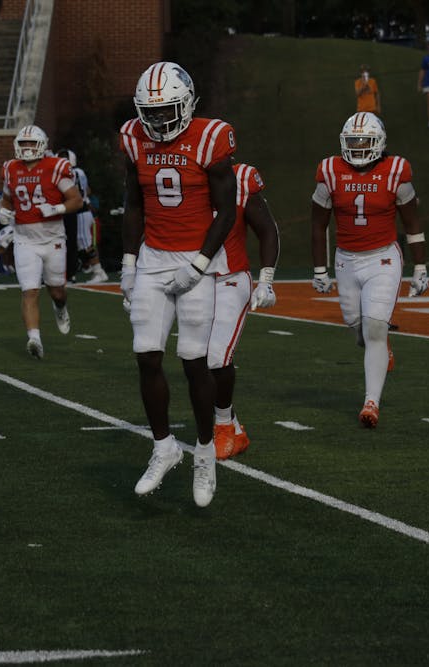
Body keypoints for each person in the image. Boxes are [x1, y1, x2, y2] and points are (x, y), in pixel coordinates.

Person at [120, 61, 238, 508]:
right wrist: (129, 264)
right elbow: (133, 203)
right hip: (153, 258)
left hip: (197, 258)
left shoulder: (211, 137)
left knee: (194, 361)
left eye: (167, 110)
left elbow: (226, 211)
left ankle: (204, 451)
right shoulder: (133, 137)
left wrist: (202, 262)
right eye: (151, 112)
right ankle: (163, 447)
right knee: (146, 355)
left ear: (187, 103)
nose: (158, 121)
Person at [310, 112, 428, 428]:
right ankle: (381, 349)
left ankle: (370, 403)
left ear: (380, 143)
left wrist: (420, 266)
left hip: (383, 259)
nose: (359, 147)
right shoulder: (330, 171)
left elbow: (412, 223)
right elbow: (318, 224)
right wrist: (320, 269)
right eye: (353, 142)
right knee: (359, 331)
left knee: (375, 328)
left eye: (365, 141)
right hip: (346, 260)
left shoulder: (395, 172)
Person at [211, 161, 280, 459]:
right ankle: (235, 428)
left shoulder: (240, 178)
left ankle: (223, 426)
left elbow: (267, 229)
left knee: (216, 357)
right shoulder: (177, 176)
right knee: (195, 359)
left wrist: (266, 281)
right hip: (190, 282)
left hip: (230, 276)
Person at [0, 125, 83, 359]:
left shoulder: (56, 167)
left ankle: (60, 307)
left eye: (31, 143)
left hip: (52, 239)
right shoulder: (10, 169)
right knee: (30, 290)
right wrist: (3, 212)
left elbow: (76, 201)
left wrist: (56, 208)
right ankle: (34, 339)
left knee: (57, 291)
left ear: (42, 145)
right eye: (23, 143)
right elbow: (7, 200)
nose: (27, 148)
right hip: (24, 239)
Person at [58, 149, 109, 284]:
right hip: (84, 209)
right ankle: (92, 268)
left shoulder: (72, 173)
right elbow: (88, 190)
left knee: (85, 243)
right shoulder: (80, 172)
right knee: (83, 243)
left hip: (80, 211)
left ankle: (98, 271)